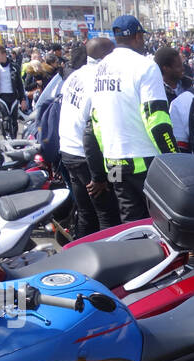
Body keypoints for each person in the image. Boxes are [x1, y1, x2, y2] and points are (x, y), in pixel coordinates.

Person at [83, 15, 178, 223]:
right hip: (145, 162)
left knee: (130, 219)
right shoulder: (145, 66)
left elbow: (96, 121)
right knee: (157, 221)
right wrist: (173, 156)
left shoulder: (101, 68)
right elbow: (156, 118)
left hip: (113, 162)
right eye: (142, 37)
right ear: (136, 36)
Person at [61, 37, 119, 237]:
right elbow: (91, 132)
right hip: (89, 158)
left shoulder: (75, 76)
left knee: (86, 212)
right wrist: (99, 177)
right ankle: (110, 261)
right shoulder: (98, 80)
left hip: (68, 153)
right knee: (108, 213)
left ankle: (82, 252)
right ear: (106, 55)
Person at [0, 46, 26, 138]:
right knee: (5, 119)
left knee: (14, 120)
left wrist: (22, 99)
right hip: (1, 97)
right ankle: (6, 138)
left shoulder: (14, 67)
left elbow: (20, 84)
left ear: (4, 54)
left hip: (13, 96)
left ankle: (14, 139)